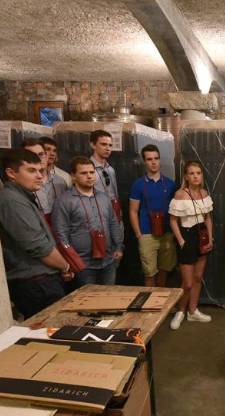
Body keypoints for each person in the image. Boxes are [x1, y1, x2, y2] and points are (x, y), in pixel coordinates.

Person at [0, 149, 73, 318]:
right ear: (11, 173)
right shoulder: (11, 200)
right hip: (35, 282)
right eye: (31, 171)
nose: (39, 176)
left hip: (41, 278)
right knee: (53, 327)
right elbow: (39, 246)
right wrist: (65, 266)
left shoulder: (22, 197)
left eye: (40, 171)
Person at [51, 157, 124, 287]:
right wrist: (72, 261)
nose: (89, 176)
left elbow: (113, 223)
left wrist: (118, 247)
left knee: (108, 296)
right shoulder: (64, 201)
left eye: (91, 172)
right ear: (73, 176)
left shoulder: (104, 197)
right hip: (83, 265)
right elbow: (60, 234)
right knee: (88, 298)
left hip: (108, 260)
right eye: (84, 173)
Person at [168, 161, 214, 330]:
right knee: (187, 283)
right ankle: (181, 311)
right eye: (192, 173)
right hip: (187, 236)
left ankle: (193, 311)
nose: (195, 176)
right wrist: (181, 240)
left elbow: (208, 218)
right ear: (186, 176)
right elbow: (173, 220)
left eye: (198, 173)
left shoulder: (204, 193)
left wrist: (210, 238)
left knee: (197, 277)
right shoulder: (180, 194)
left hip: (202, 236)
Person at [129, 144, 176, 287]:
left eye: (156, 158)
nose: (154, 162)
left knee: (164, 271)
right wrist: (138, 234)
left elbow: (176, 211)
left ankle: (160, 300)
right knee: (149, 273)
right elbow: (133, 211)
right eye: (149, 159)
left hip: (167, 233)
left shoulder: (170, 184)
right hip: (146, 234)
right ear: (144, 161)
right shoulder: (138, 184)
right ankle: (150, 301)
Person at [20, 138, 67, 221]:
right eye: (31, 155)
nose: (38, 158)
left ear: (46, 155)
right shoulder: (22, 184)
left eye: (41, 154)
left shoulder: (60, 181)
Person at [90, 130, 122, 222]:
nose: (108, 148)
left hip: (114, 213)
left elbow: (115, 194)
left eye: (110, 145)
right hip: (96, 214)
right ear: (93, 145)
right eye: (103, 144)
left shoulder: (111, 169)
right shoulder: (87, 169)